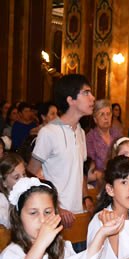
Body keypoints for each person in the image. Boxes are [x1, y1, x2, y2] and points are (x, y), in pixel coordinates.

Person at [0, 177, 123, 259]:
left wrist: (102, 234)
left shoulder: (60, 248)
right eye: (33, 213)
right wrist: (40, 244)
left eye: (47, 212)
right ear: (18, 217)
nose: (42, 220)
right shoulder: (12, 253)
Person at [28, 74, 95, 228]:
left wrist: (86, 198)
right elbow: (31, 174)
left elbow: (80, 172)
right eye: (86, 93)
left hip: (78, 213)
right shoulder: (49, 132)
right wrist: (56, 206)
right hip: (55, 216)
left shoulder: (80, 131)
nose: (92, 98)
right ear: (70, 100)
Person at [86, 99, 122, 172]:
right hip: (98, 180)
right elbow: (90, 168)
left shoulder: (117, 134)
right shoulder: (90, 138)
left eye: (108, 114)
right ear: (95, 119)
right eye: (102, 114)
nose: (106, 118)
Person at [0, 153, 26, 228]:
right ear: (4, 182)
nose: (23, 180)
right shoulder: (2, 200)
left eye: (24, 174)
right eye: (16, 177)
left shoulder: (28, 195)